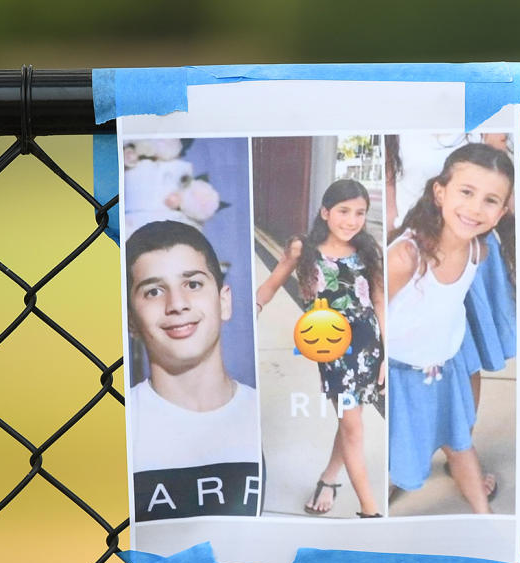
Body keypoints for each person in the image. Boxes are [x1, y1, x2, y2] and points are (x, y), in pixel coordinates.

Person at [386, 143, 516, 514]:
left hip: (445, 362)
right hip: (401, 369)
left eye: (491, 200)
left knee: (459, 439)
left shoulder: (480, 250)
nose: (476, 208)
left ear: (503, 211)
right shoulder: (405, 256)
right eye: (466, 192)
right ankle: (393, 479)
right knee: (403, 442)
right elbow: (377, 315)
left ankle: (487, 521)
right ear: (439, 192)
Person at [256, 179, 384, 518]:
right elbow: (271, 285)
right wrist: (248, 311)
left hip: (368, 345)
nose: (352, 220)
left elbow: (379, 300)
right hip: (332, 347)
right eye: (343, 211)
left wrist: (387, 351)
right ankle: (369, 510)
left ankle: (329, 478)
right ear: (325, 212)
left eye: (360, 213)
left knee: (350, 421)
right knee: (353, 424)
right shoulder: (304, 249)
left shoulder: (368, 250)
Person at [125, 220, 261, 521]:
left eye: (193, 284)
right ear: (132, 321)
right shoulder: (118, 427)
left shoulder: (266, 418)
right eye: (153, 291)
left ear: (224, 302)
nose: (177, 304)